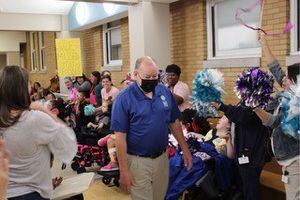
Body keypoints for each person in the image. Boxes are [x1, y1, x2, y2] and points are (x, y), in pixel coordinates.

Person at [111, 56, 193, 200]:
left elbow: (173, 122)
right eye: (147, 76)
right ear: (136, 74)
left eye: (155, 76)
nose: (152, 80)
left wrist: (185, 148)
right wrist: (123, 171)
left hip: (162, 158)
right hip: (138, 162)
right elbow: (120, 138)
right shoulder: (124, 98)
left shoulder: (163, 92)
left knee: (160, 197)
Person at [0, 65, 77, 200]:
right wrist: (44, 111)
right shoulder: (34, 119)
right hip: (31, 194)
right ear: (22, 89)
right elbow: (68, 147)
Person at [254, 33, 300, 200]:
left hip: (294, 161)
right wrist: (264, 43)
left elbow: (274, 122)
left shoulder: (296, 105)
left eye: (288, 77)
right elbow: (275, 68)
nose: (283, 79)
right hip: (288, 160)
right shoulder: (290, 94)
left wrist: (256, 108)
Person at [212, 88, 270, 200]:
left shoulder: (258, 104)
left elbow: (242, 116)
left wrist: (222, 106)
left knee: (251, 190)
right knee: (246, 187)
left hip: (252, 157)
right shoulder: (247, 102)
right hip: (245, 155)